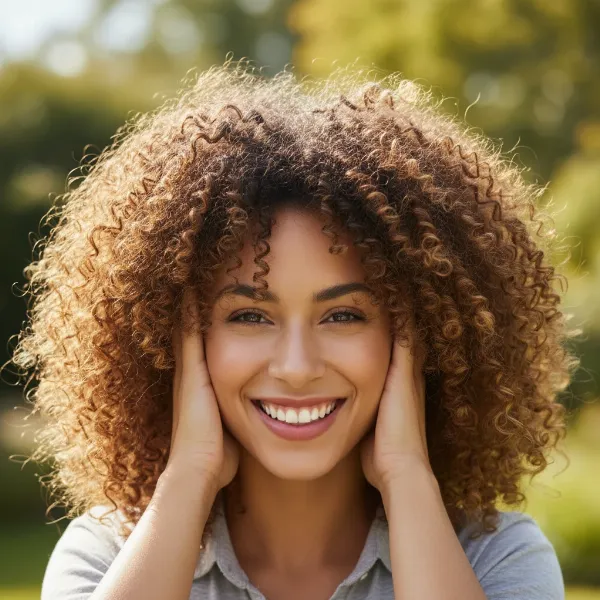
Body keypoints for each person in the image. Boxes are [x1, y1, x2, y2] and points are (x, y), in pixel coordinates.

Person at [11, 60, 575, 600]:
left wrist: (406, 477)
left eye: (344, 315)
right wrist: (188, 476)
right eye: (250, 316)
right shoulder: (108, 552)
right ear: (171, 339)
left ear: (422, 336)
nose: (298, 366)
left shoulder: (496, 558)